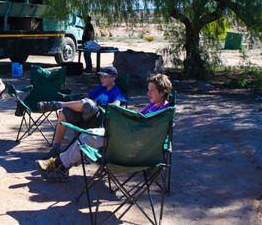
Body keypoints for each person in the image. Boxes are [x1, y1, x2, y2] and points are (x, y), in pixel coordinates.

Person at [37, 73, 173, 182]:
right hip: (126, 137)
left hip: (129, 147)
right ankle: (60, 165)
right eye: (148, 90)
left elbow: (147, 133)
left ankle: (59, 165)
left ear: (162, 92)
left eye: (152, 90)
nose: (148, 93)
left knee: (87, 137)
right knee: (87, 135)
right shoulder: (157, 107)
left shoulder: (162, 113)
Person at [37, 65, 126, 159]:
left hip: (99, 120)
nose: (102, 79)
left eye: (105, 76)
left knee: (89, 103)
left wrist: (101, 106)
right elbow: (87, 97)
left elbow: (116, 106)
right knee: (64, 112)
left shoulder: (116, 92)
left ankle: (58, 104)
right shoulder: (101, 88)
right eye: (101, 76)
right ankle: (55, 149)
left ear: (113, 78)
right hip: (86, 115)